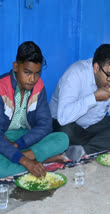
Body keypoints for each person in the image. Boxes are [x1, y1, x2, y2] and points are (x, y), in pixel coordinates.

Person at [49, 44, 110, 161]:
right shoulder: (75, 73)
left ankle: (82, 150)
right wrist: (94, 97)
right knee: (65, 133)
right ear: (96, 68)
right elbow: (63, 117)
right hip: (67, 124)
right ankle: (90, 145)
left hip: (92, 127)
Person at [0, 41, 68, 178]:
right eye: (27, 72)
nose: (32, 79)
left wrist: (19, 145)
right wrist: (25, 161)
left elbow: (45, 125)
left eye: (37, 73)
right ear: (16, 67)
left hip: (26, 138)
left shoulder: (38, 86)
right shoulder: (2, 87)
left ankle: (19, 159)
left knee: (63, 138)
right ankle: (39, 159)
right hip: (4, 137)